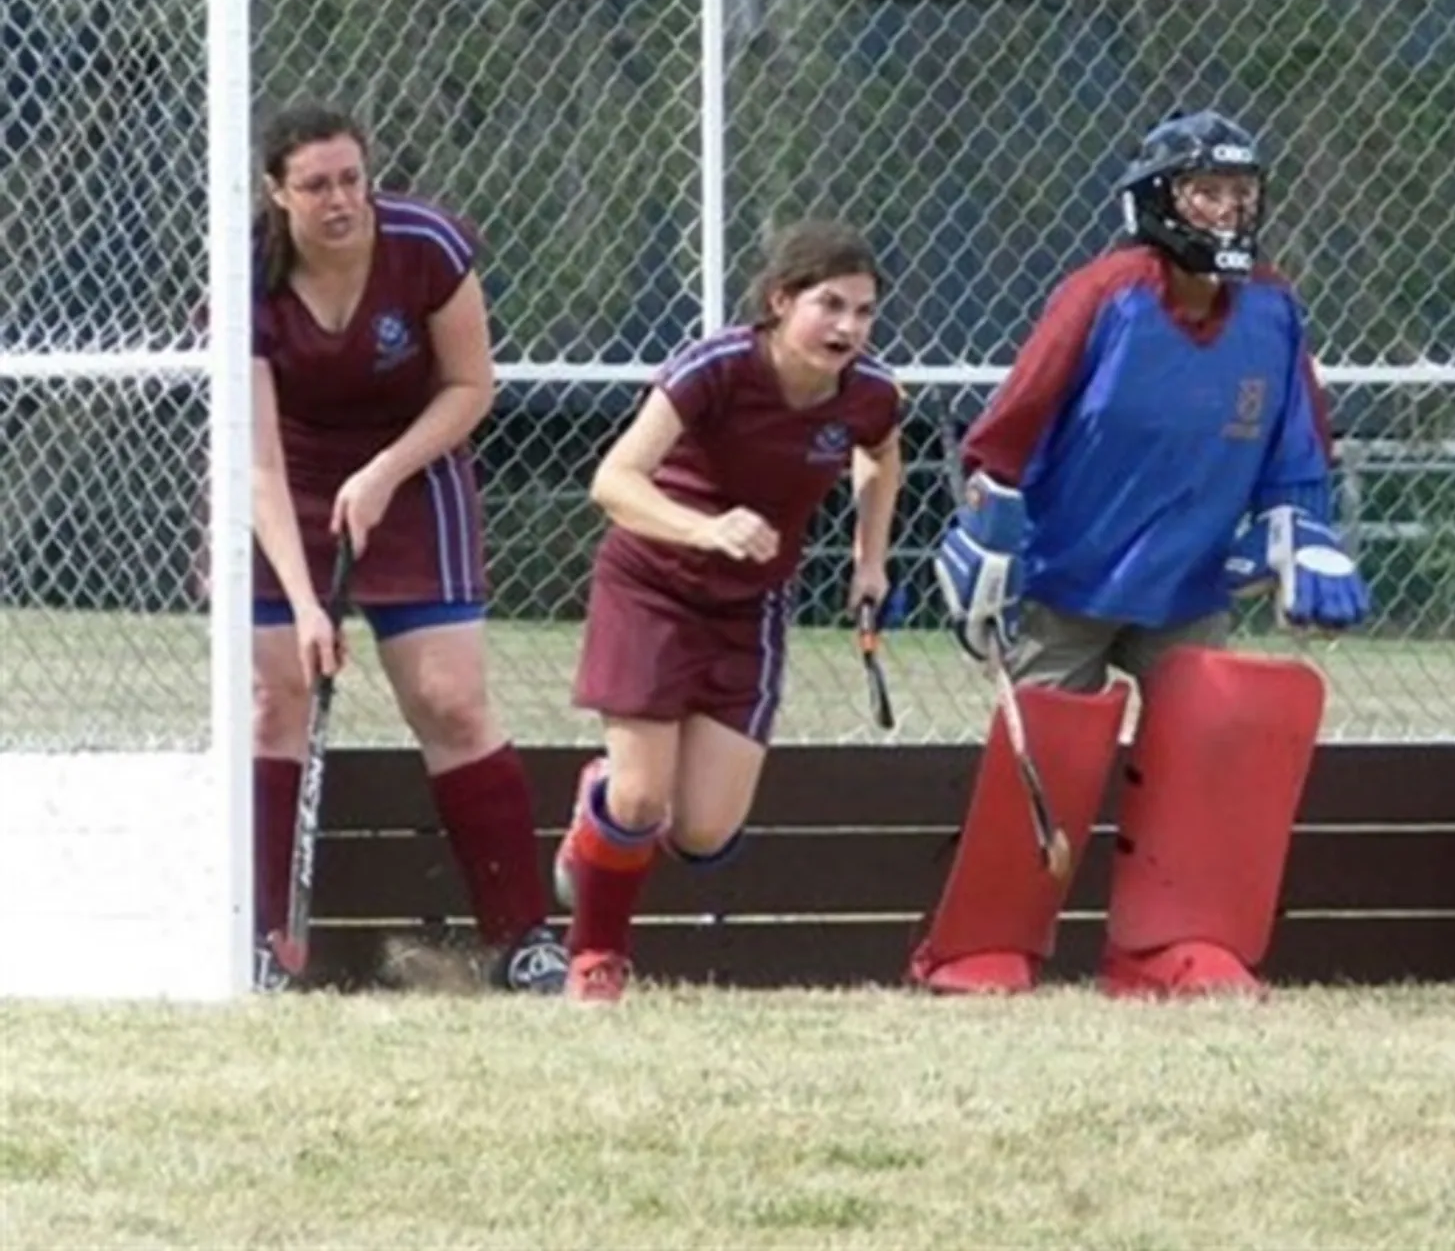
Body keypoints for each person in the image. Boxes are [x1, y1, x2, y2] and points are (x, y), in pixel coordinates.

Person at [913, 109, 1369, 999]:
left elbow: (1297, 449)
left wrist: (1302, 533)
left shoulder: (1273, 310)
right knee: (1039, 754)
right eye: (1209, 193)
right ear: (1161, 200)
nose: (1230, 213)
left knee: (1205, 756)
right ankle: (982, 945)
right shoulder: (1105, 294)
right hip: (1066, 579)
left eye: (1243, 194)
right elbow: (1006, 432)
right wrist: (984, 529)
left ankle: (1172, 946)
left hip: (1191, 583)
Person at [249, 103, 566, 994]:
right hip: (291, 482)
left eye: (353, 178)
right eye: (316, 185)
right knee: (276, 699)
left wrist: (387, 472)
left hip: (415, 468)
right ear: (279, 194)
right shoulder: (246, 275)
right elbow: (256, 464)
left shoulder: (427, 245)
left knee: (451, 700)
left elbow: (471, 386)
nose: (342, 199)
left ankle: (522, 940)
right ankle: (263, 942)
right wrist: (309, 606)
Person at [552, 219, 903, 1004]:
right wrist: (704, 527)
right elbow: (613, 482)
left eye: (865, 311)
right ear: (780, 302)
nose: (849, 327)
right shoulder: (715, 368)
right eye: (830, 305)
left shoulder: (871, 393)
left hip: (751, 607)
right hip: (652, 586)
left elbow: (881, 455)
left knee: (704, 832)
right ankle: (596, 958)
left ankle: (602, 810)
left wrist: (868, 557)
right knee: (641, 799)